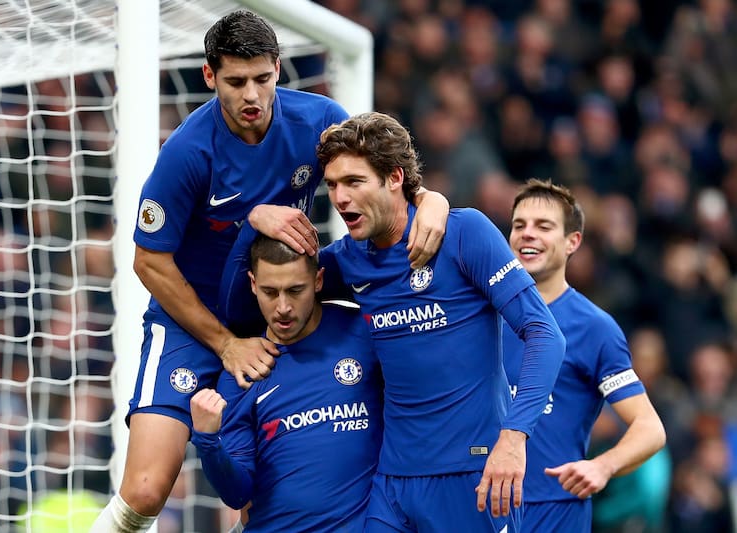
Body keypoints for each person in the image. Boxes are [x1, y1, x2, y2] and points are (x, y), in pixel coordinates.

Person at [90, 11, 447, 532]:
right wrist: (225, 343)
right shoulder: (188, 154)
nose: (252, 95)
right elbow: (149, 260)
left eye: (263, 78)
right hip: (193, 323)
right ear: (211, 77)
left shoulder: (317, 119)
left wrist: (429, 198)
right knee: (144, 491)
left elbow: (377, 174)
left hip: (274, 310)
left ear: (279, 68)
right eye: (236, 82)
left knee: (272, 486)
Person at [312, 112, 566, 531]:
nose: (339, 198)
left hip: (474, 475)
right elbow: (255, 300)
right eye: (333, 184)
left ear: (394, 177)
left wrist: (514, 437)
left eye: (354, 182)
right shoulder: (348, 259)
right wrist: (256, 222)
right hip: (392, 484)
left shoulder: (463, 233)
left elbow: (544, 334)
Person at [502, 178, 667, 532]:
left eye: (543, 226)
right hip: (477, 508)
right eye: (519, 225)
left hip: (554, 516)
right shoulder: (481, 315)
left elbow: (650, 428)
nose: (527, 234)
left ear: (572, 242)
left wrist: (602, 466)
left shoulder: (594, 327)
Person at [191, 234, 383, 531]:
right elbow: (237, 493)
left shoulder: (363, 332)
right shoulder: (243, 371)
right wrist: (208, 442)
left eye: (295, 290)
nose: (282, 307)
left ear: (319, 280)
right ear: (253, 284)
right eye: (270, 292)